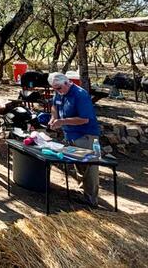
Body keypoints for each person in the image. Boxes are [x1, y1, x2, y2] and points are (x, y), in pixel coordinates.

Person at [48, 72, 101, 207]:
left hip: (85, 135)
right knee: (79, 165)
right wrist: (53, 118)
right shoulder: (59, 92)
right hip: (70, 134)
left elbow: (84, 119)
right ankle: (83, 192)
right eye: (54, 89)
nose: (57, 91)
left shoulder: (80, 94)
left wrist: (62, 121)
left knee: (89, 166)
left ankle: (91, 199)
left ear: (67, 83)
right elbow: (54, 106)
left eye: (58, 88)